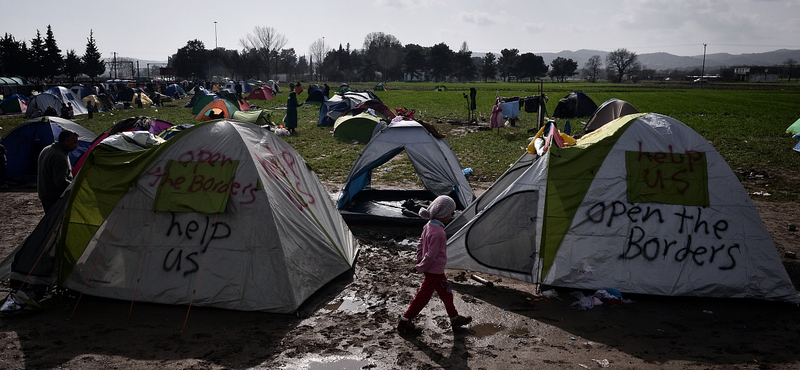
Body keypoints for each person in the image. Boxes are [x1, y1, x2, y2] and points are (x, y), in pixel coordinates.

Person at [397, 195, 472, 335]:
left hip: (434, 269)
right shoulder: (439, 233)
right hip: (433, 271)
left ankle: (454, 318)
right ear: (443, 214)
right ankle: (405, 321)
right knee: (423, 297)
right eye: (451, 213)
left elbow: (420, 244)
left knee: (446, 293)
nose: (452, 215)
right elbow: (431, 254)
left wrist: (420, 259)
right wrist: (421, 266)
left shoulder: (429, 226)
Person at [37, 129, 78, 213]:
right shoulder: (59, 157)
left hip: (44, 193)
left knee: (50, 220)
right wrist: (75, 187)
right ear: (67, 141)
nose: (76, 146)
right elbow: (61, 182)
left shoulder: (47, 149)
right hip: (54, 197)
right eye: (75, 142)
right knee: (56, 223)